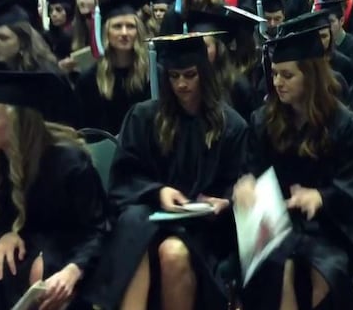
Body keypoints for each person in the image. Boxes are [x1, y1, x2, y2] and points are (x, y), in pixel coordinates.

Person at [84, 32, 247, 310]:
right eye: (173, 76)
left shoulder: (230, 125)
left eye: (190, 75)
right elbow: (124, 178)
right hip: (153, 217)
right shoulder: (144, 117)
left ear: (204, 74)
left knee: (173, 253)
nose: (181, 84)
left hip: (203, 230)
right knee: (135, 231)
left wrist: (226, 200)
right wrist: (159, 191)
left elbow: (241, 180)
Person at [234, 24, 353, 310]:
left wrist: (322, 197)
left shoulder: (345, 124)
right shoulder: (263, 121)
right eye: (275, 74)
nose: (278, 82)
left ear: (311, 76)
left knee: (325, 272)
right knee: (279, 268)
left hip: (328, 226)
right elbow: (250, 170)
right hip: (275, 226)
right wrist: (245, 184)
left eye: (287, 75)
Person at [0, 71, 109, 309]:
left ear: (17, 122)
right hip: (25, 250)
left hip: (74, 255)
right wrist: (6, 232)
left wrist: (73, 270)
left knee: (39, 269)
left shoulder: (68, 162)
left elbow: (98, 229)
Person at [75, 0, 151, 135]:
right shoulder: (88, 80)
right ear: (106, 33)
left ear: (138, 31)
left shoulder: (152, 75)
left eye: (130, 26)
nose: (124, 33)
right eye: (117, 26)